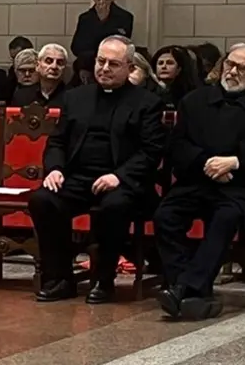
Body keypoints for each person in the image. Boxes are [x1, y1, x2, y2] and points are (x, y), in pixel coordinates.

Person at [154, 43, 245, 321]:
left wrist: (235, 161)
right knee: (165, 215)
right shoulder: (194, 101)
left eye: (243, 68)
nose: (233, 71)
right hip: (199, 181)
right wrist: (207, 163)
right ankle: (193, 289)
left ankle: (184, 288)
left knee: (225, 217)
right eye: (230, 64)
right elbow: (178, 146)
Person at [27, 36, 166, 304]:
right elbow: (57, 141)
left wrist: (119, 176)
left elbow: (150, 152)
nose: (104, 68)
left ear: (129, 67)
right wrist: (55, 169)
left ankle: (103, 281)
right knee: (43, 200)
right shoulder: (76, 97)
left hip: (124, 182)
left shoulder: (146, 103)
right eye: (100, 61)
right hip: (78, 178)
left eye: (113, 64)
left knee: (112, 207)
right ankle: (60, 279)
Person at [70, 0, 134, 65]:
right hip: (87, 65)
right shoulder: (84, 18)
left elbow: (123, 45)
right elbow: (76, 48)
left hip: (113, 64)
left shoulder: (125, 17)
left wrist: (104, 20)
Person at [10, 43, 69, 108]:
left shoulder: (74, 97)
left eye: (60, 63)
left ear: (65, 68)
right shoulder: (21, 96)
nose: (54, 66)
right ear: (38, 66)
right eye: (48, 61)